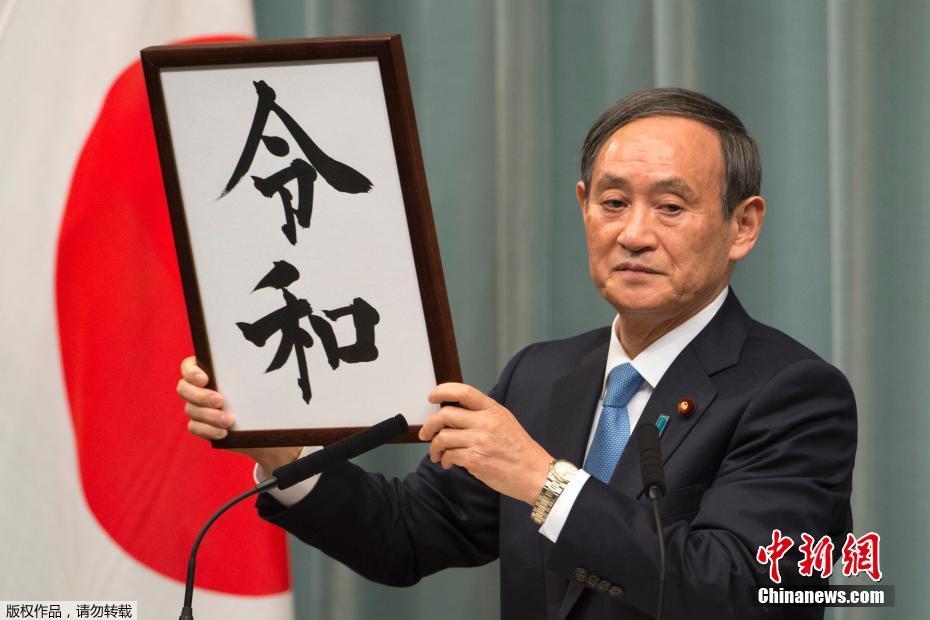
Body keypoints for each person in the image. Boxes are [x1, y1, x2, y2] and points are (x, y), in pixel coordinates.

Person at [178, 88, 857, 619]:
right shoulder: (543, 375)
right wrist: (284, 453)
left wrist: (542, 480)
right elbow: (406, 535)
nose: (634, 234)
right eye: (613, 202)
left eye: (671, 208)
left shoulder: (794, 394)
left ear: (742, 226)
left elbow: (739, 590)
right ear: (584, 206)